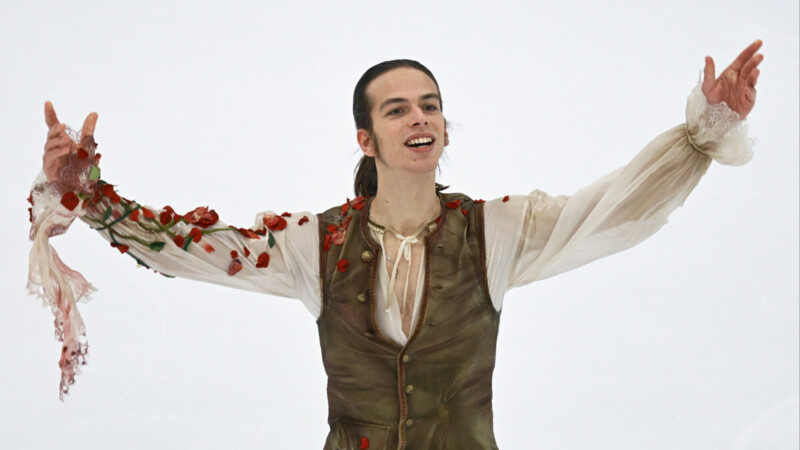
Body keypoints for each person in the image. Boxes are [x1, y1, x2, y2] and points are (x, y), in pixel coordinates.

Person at [30, 40, 763, 449]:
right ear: (366, 138)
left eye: (431, 106)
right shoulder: (314, 244)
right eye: (398, 109)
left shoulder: (496, 231)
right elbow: (195, 248)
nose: (420, 118)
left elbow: (611, 211)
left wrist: (704, 131)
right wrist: (87, 193)